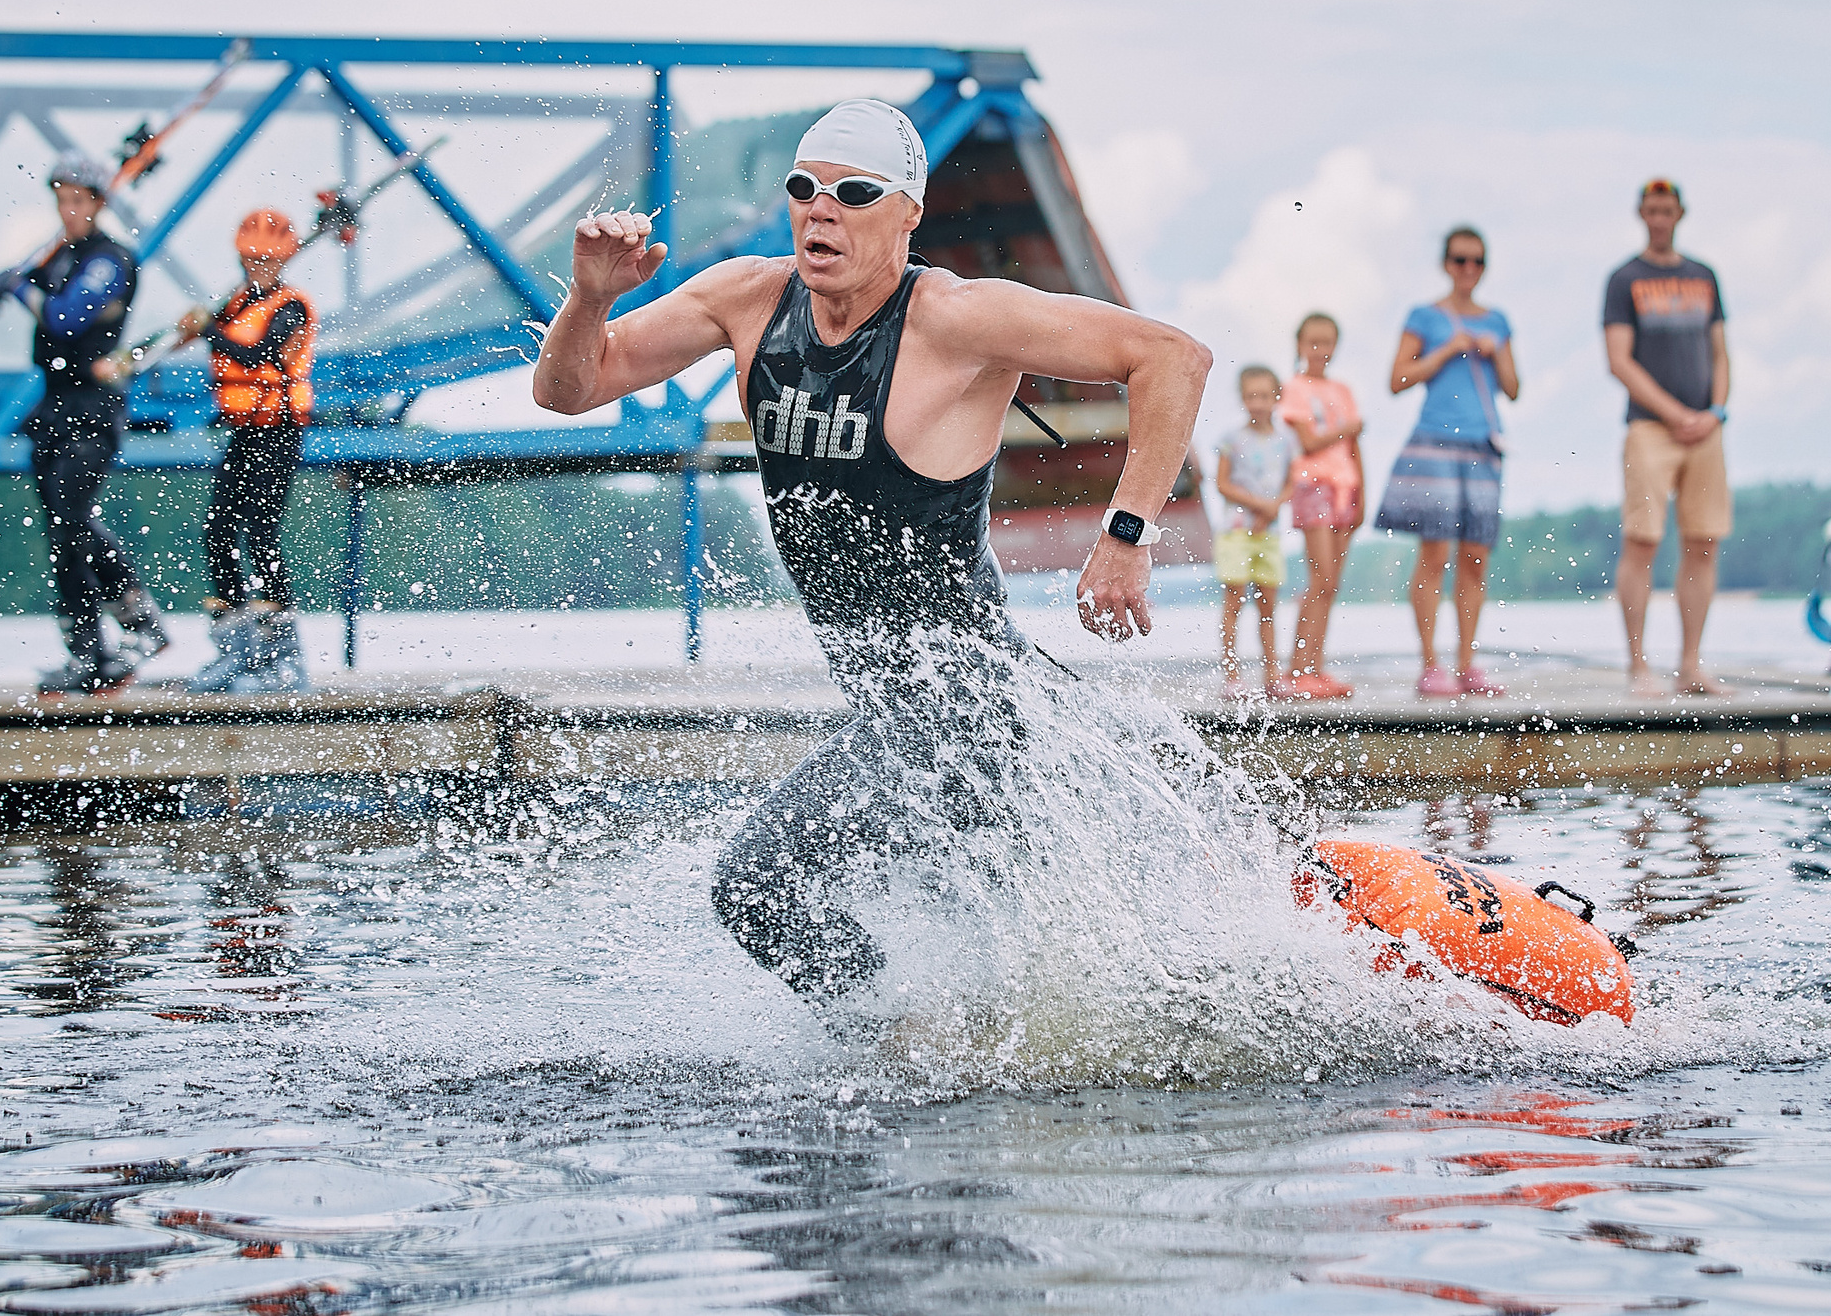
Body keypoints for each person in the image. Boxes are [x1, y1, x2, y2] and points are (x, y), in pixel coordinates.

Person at [529, 98, 1210, 1028]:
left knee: (760, 884)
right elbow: (569, 389)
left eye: (854, 193)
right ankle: (935, 1057)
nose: (822, 209)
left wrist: (1125, 538)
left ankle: (890, 1048)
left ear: (908, 213)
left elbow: (1172, 357)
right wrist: (589, 299)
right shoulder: (747, 299)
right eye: (804, 188)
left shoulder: (957, 319)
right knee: (1018, 967)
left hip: (967, 708)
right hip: (899, 715)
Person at [0, 151, 169, 694]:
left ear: (98, 203)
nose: (68, 211)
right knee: (61, 530)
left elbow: (65, 317)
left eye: (78, 201)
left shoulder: (110, 260)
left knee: (72, 519)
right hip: (53, 406)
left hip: (94, 407)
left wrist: (18, 287)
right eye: (61, 201)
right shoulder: (57, 256)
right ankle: (94, 647)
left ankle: (133, 625)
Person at [177, 209, 318, 694]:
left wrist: (209, 330)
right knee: (217, 530)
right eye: (252, 260)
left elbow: (259, 355)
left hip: (280, 430)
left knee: (261, 531)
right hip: (245, 432)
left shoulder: (292, 307)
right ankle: (235, 644)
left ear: (283, 261)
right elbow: (222, 343)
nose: (259, 268)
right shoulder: (235, 305)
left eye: (268, 261)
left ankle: (281, 650)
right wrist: (193, 328)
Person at [1602, 177, 1732, 698]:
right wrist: (1674, 413)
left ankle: (1690, 664)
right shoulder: (1624, 279)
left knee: (1703, 540)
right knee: (1643, 540)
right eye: (1652, 210)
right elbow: (1619, 360)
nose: (1659, 218)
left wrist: (1716, 412)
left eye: (1667, 210)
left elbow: (1720, 351)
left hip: (1706, 431)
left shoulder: (1704, 276)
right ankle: (1638, 665)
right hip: (1650, 428)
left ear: (1680, 214)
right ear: (1641, 214)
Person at [1378, 225, 1518, 698]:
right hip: (1435, 441)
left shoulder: (1497, 321)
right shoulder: (1424, 316)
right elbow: (1397, 379)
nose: (1468, 268)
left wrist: (1496, 354)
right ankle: (1430, 664)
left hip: (1482, 445)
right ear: (1445, 264)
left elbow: (1514, 388)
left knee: (1476, 557)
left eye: (1477, 260)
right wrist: (1444, 351)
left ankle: (1467, 665)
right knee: (1434, 554)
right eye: (1460, 259)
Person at [1279, 312, 1364, 700]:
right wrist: (1347, 429)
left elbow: (1354, 448)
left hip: (1345, 487)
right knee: (1321, 578)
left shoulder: (1343, 390)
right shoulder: (1294, 388)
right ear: (1299, 344)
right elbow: (1309, 443)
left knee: (1332, 584)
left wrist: (1362, 493)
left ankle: (1316, 667)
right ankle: (1297, 670)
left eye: (1327, 342)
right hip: (1313, 486)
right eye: (1312, 341)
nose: (1319, 349)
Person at [1211, 364, 1298, 700]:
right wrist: (1260, 505)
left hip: (1269, 534)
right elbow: (1222, 484)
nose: (1257, 403)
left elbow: (1291, 482)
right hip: (1235, 532)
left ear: (1277, 397)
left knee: (1268, 606)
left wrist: (1274, 506)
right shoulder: (1231, 439)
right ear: (1242, 399)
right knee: (1233, 602)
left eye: (1264, 396)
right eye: (1251, 396)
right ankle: (1232, 676)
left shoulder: (1286, 440)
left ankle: (1272, 673)